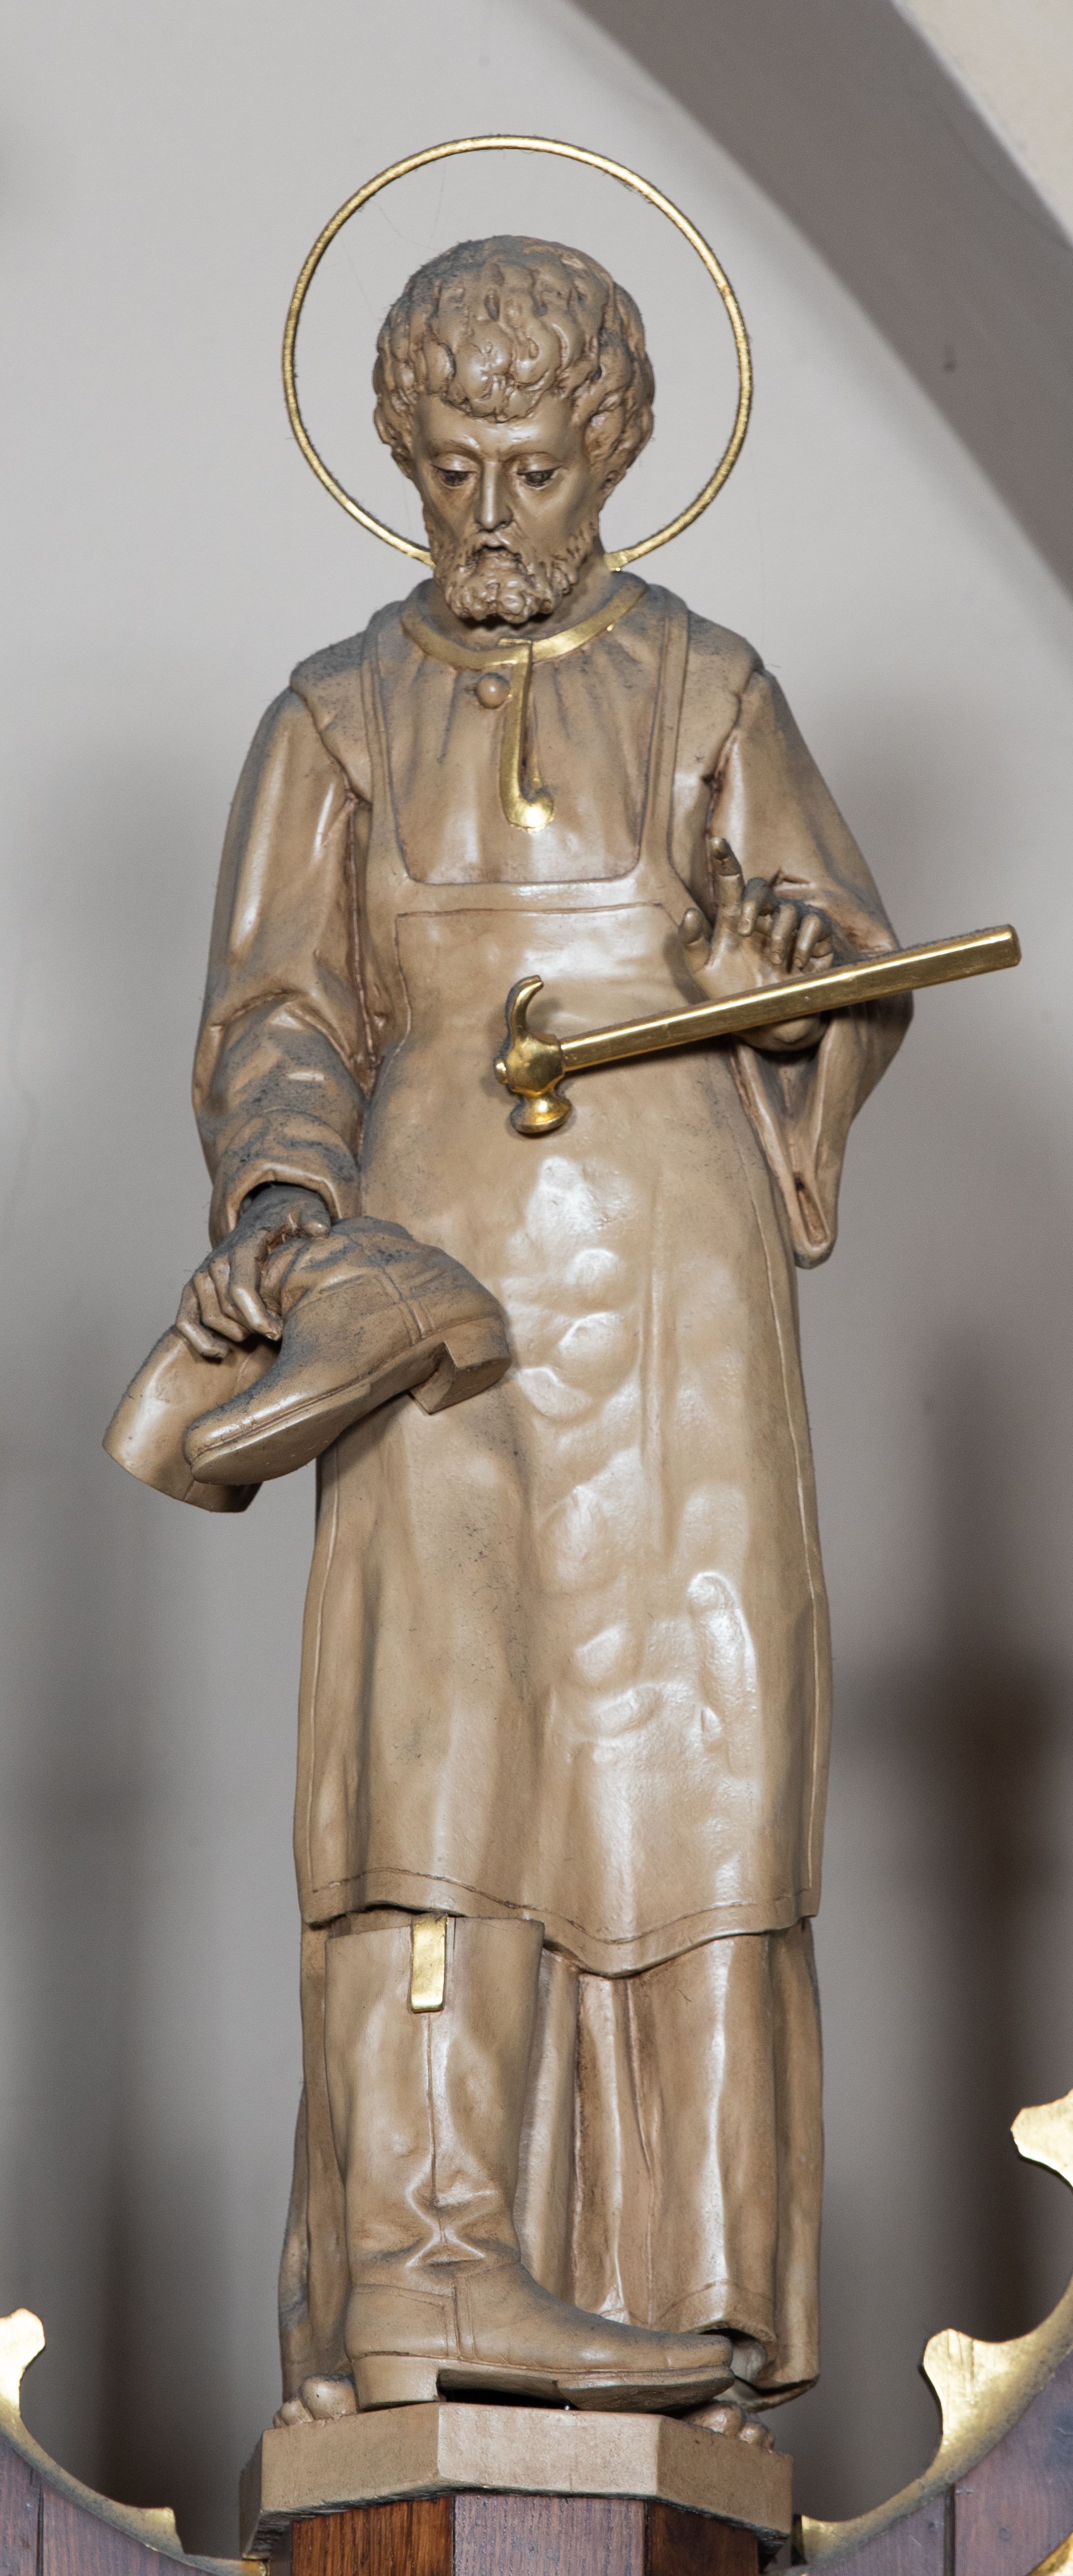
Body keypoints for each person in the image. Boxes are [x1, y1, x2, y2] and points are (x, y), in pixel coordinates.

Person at [178, 237, 909, 2420]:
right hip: (435, 1300)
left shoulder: (706, 690)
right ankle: (429, 2284)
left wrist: (789, 981)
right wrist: (285, 1200)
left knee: (688, 1757)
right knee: (435, 1763)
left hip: (678, 1310)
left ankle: (696, 2307)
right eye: (450, 473)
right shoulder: (334, 715)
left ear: (611, 452)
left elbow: (836, 962)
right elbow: (279, 1015)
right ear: (400, 460)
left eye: (532, 470)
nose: (489, 517)